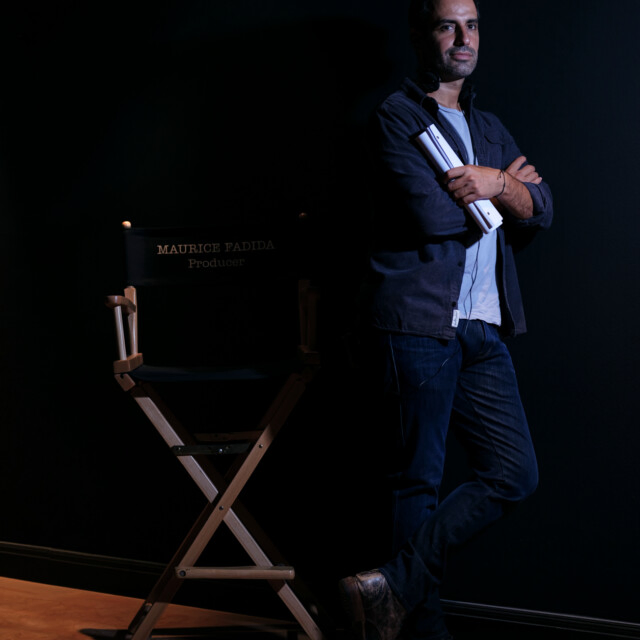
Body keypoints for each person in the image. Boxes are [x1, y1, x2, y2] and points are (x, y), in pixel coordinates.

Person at [338, 1, 553, 640]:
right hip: (418, 326)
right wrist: (504, 188)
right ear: (420, 35)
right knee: (416, 485)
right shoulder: (397, 117)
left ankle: (390, 589)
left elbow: (542, 208)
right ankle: (423, 633)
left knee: (514, 473)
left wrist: (494, 183)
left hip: (483, 326)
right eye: (446, 25)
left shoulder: (488, 127)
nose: (463, 38)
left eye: (473, 25)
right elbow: (430, 215)